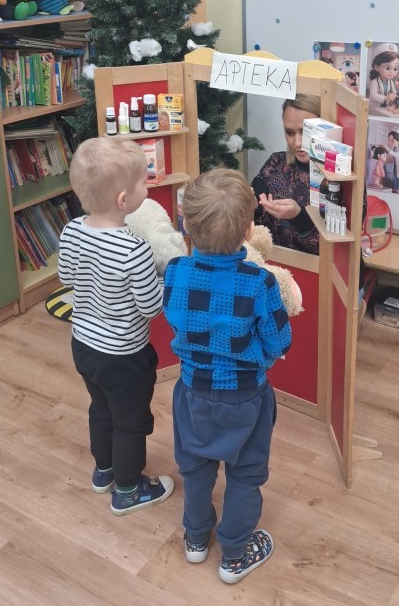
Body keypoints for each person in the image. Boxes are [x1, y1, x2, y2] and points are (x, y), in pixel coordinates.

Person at [163, 168, 292, 584]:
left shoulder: (175, 271)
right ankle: (234, 554)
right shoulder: (260, 282)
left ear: (185, 223)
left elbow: (175, 320)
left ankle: (196, 537)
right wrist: (262, 357)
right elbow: (279, 341)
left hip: (192, 392)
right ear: (250, 229)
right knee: (246, 475)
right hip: (247, 397)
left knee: (195, 468)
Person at [58, 136, 174, 516]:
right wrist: (163, 281)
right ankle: (127, 488)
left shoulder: (72, 230)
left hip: (83, 345)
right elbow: (151, 307)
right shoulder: (134, 250)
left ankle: (104, 469)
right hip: (123, 354)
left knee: (101, 407)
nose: (147, 186)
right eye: (143, 181)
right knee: (130, 421)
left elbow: (66, 277)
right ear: (124, 200)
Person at [251, 94, 322, 254]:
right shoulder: (276, 163)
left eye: (306, 132)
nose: (297, 143)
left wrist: (298, 216)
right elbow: (255, 225)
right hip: (278, 265)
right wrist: (251, 206)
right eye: (289, 132)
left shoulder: (341, 177)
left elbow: (337, 248)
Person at [368, 44, 399, 111]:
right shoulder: (374, 82)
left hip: (385, 107)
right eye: (387, 68)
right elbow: (373, 96)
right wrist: (386, 98)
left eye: (395, 69)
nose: (392, 72)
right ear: (377, 67)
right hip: (375, 107)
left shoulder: (390, 82)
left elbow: (394, 92)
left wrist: (396, 96)